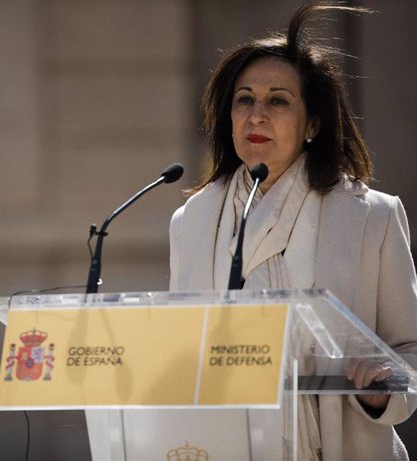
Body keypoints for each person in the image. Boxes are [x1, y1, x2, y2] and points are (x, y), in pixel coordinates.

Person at [169, 2, 417, 460]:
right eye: (244, 99)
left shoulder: (372, 217)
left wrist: (382, 389)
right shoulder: (192, 222)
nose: (256, 115)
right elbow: (183, 351)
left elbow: (410, 348)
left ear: (312, 125)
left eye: (278, 100)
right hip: (229, 445)